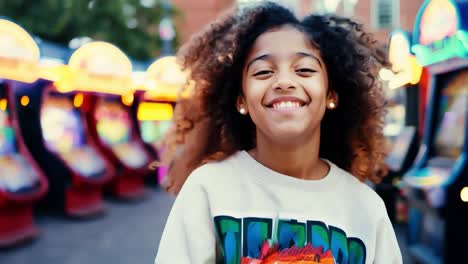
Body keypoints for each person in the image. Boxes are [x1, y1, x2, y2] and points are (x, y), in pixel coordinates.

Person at [155, 2, 402, 263]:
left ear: (331, 95)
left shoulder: (366, 207)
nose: (284, 81)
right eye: (263, 72)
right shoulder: (207, 189)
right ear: (241, 100)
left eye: (304, 70)